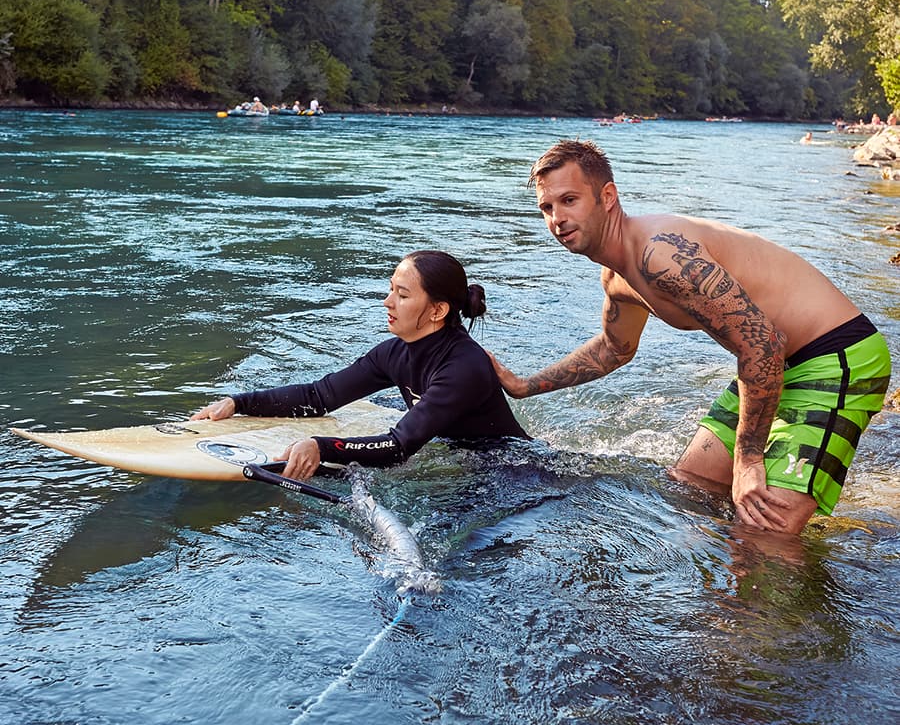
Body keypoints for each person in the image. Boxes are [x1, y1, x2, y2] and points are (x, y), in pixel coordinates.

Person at [490, 140, 891, 535]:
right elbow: (614, 349)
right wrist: (524, 385)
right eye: (547, 207)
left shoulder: (659, 255)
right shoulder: (616, 277)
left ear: (607, 196)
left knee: (764, 527)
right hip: (769, 365)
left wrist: (748, 459)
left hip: (835, 357)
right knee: (689, 489)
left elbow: (762, 344)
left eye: (569, 200)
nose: (557, 218)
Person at [192, 250, 528, 479]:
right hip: (458, 459)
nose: (387, 301)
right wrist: (239, 403)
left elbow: (397, 447)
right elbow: (317, 396)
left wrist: (319, 447)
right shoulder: (395, 353)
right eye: (390, 290)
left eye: (403, 294)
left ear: (437, 311)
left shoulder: (462, 367)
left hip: (511, 472)